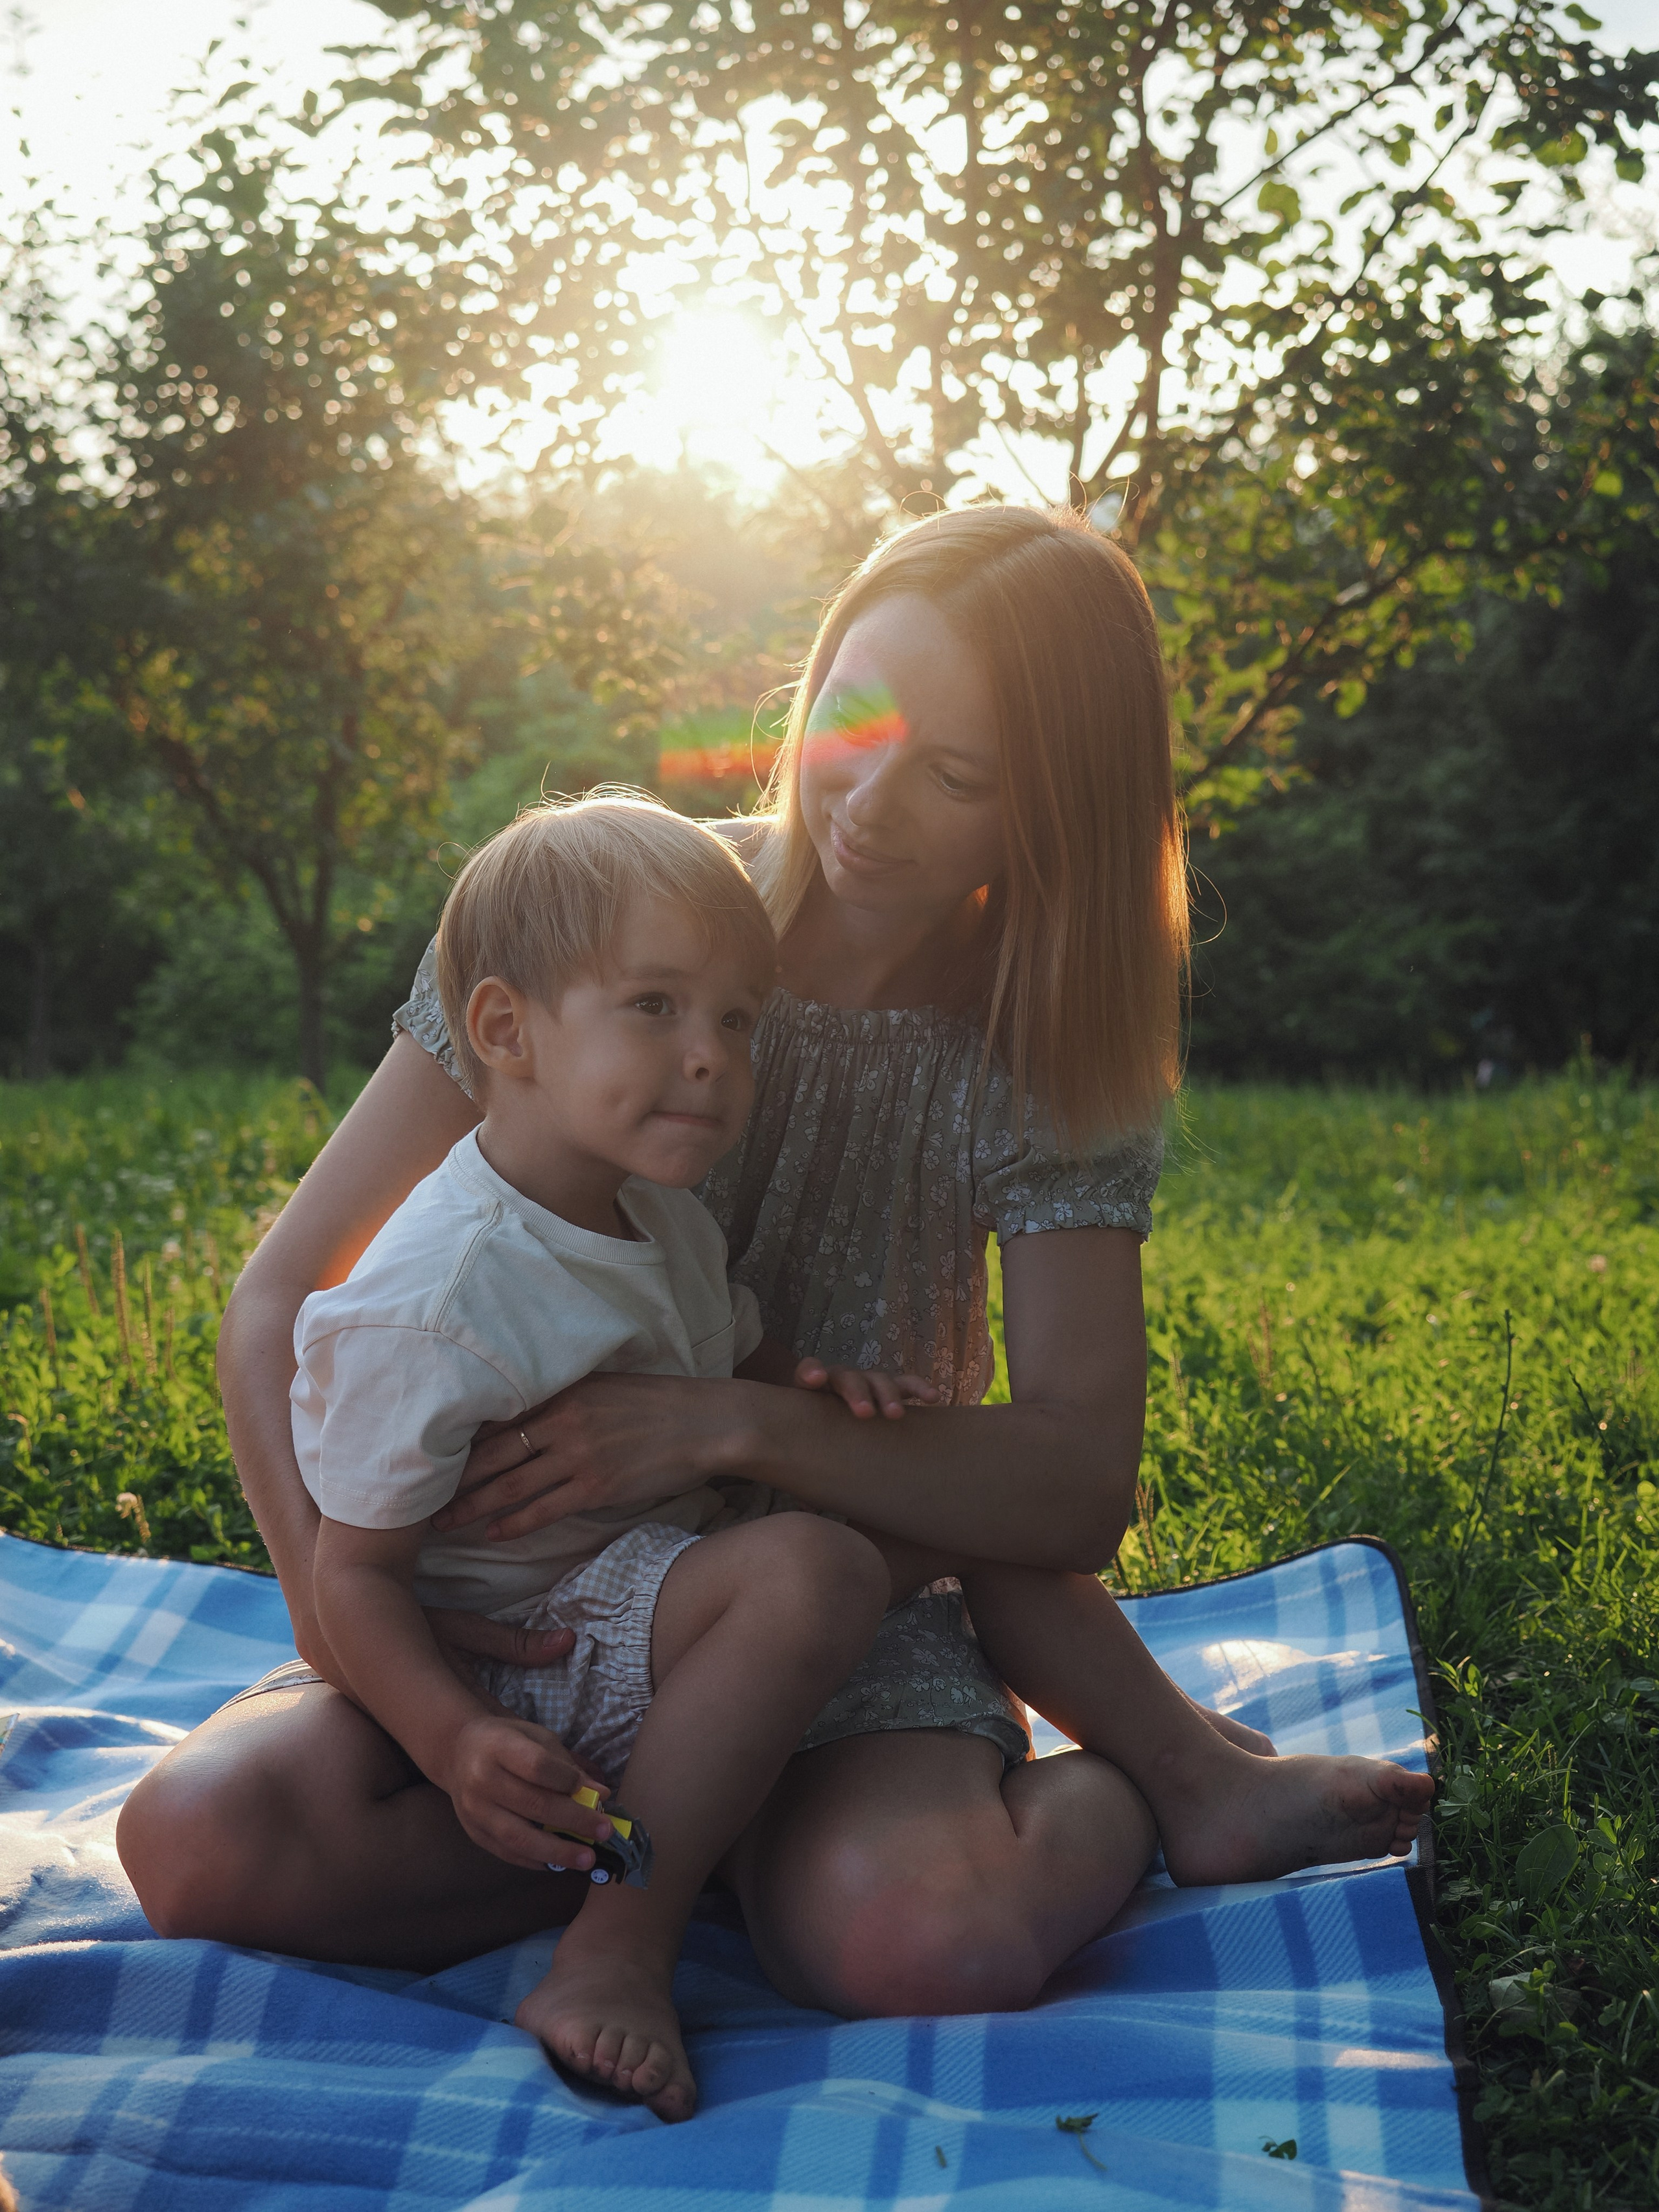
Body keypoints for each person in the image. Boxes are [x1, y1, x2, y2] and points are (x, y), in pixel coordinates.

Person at [119, 504, 1433, 2038]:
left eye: (955, 776)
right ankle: (698, 1848)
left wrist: (730, 1424)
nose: (869, 803)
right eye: (852, 724)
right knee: (201, 1845)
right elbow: (281, 1302)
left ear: (1054, 811)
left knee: (923, 1946)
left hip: (838, 1605)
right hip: (523, 1606)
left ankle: (1139, 1787)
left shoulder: (1038, 1046)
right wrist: (344, 1622)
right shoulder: (604, 924)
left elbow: (1074, 1484)